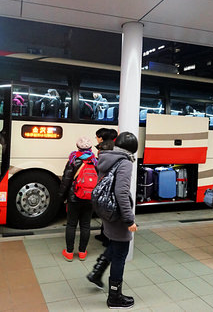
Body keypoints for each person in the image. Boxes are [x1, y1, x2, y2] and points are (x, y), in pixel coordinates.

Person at [87, 131, 138, 309]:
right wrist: (129, 220)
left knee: (115, 245)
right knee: (120, 255)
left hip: (106, 210)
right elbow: (121, 193)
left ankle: (97, 272)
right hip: (117, 214)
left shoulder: (106, 156)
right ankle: (114, 297)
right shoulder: (124, 162)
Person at [58, 136, 98, 261]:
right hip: (89, 198)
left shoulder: (73, 160)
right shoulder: (95, 161)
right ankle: (82, 253)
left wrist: (61, 197)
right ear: (91, 148)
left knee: (71, 225)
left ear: (77, 147)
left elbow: (66, 181)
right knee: (85, 225)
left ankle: (69, 253)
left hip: (74, 197)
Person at [94, 128, 117, 245]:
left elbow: (101, 167)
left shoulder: (103, 149)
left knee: (106, 211)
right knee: (107, 210)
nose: (96, 139)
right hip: (109, 183)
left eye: (97, 137)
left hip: (105, 183)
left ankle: (107, 238)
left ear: (101, 138)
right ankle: (105, 235)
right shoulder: (114, 147)